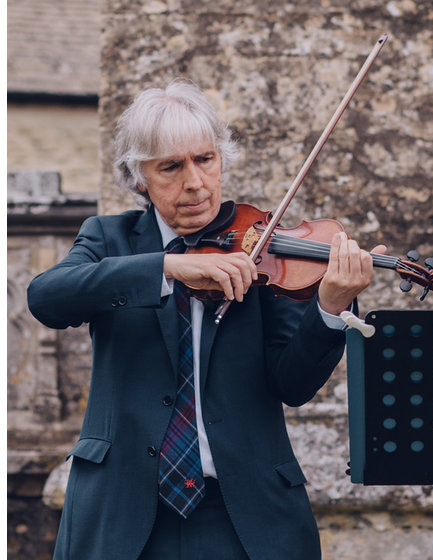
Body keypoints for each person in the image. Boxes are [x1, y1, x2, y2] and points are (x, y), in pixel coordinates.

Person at [28, 79, 386, 559]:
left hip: (242, 516)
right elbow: (47, 297)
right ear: (140, 177)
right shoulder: (109, 240)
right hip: (122, 512)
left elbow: (293, 384)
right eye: (171, 167)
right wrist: (165, 266)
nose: (194, 182)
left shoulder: (264, 246)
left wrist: (331, 306)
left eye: (205, 159)